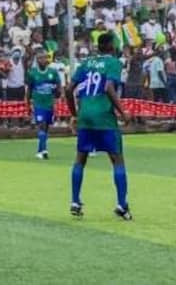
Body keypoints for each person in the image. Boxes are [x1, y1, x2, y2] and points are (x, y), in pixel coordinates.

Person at [66, 32, 132, 220]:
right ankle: (121, 204)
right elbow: (108, 88)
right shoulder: (114, 63)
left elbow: (69, 89)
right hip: (104, 116)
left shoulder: (86, 63)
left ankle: (75, 201)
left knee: (80, 159)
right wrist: (123, 112)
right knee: (117, 160)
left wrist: (74, 114)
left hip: (85, 115)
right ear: (111, 46)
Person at [26, 48, 62, 160]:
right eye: (40, 58)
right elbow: (29, 89)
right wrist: (28, 102)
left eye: (44, 57)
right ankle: (44, 150)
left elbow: (58, 87)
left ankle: (40, 150)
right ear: (37, 60)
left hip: (49, 103)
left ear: (47, 59)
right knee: (41, 124)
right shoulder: (33, 73)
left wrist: (58, 93)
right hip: (38, 103)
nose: (42, 60)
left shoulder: (53, 72)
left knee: (46, 127)